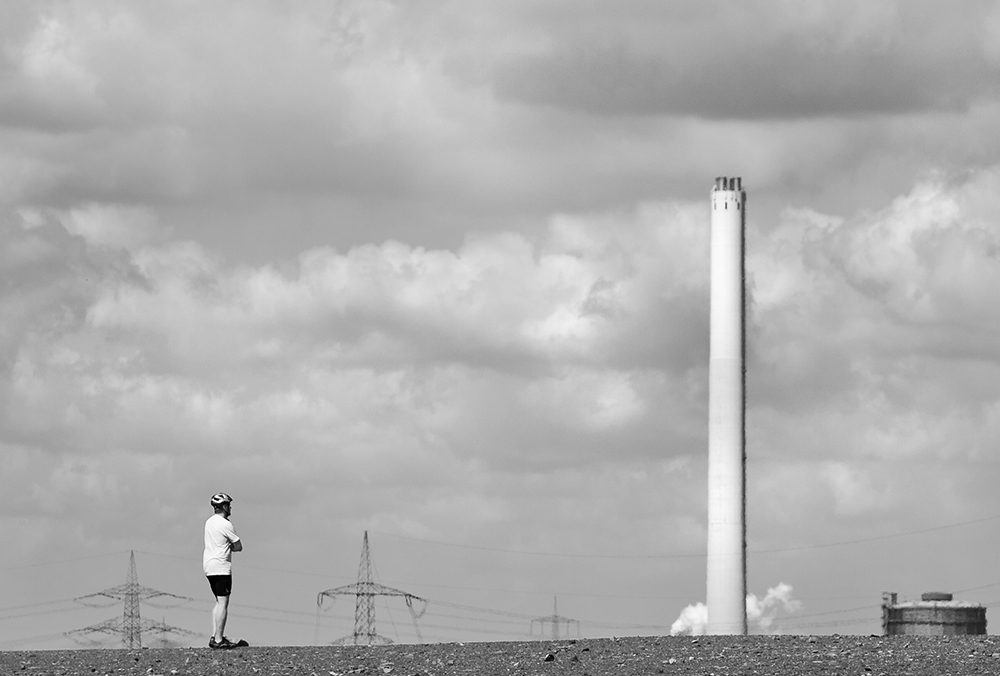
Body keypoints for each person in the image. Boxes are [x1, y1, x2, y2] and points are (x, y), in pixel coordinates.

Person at [203, 492, 247, 649]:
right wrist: (231, 547)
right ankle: (219, 640)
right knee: (223, 602)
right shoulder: (225, 524)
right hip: (221, 566)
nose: (230, 508)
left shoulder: (209, 522)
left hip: (208, 566)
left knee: (218, 601)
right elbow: (238, 546)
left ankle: (216, 635)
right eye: (228, 505)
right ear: (223, 507)